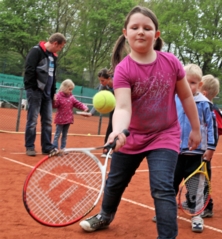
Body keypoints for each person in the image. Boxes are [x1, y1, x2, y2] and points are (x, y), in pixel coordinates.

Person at [79, 6, 201, 239]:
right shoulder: (123, 69)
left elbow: (186, 96)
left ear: (156, 34)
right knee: (115, 182)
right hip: (132, 136)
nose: (141, 32)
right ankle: (105, 215)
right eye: (135, 27)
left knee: (163, 188)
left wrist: (195, 129)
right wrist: (117, 132)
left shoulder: (171, 62)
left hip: (164, 135)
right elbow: (123, 107)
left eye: (147, 28)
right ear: (126, 33)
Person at [173, 64, 215, 233]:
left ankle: (196, 215)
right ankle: (166, 212)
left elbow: (211, 127)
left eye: (193, 82)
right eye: (185, 81)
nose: (189, 86)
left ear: (200, 85)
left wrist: (210, 147)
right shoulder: (174, 98)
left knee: (195, 187)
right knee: (170, 185)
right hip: (175, 151)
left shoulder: (205, 104)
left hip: (196, 153)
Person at [24, 33, 66, 156]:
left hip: (47, 95)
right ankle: (30, 146)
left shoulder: (53, 57)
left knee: (47, 121)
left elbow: (52, 76)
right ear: (55, 43)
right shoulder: (36, 51)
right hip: (35, 91)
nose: (60, 49)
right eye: (60, 47)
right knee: (32, 120)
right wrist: (34, 88)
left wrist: (53, 93)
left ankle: (47, 147)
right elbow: (29, 71)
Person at [198, 74, 222, 218]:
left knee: (203, 179)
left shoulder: (213, 110)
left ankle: (207, 207)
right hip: (194, 151)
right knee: (193, 178)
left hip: (204, 153)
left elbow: (217, 131)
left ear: (204, 93)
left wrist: (209, 148)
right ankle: (193, 201)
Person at [52, 79, 89, 151]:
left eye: (71, 90)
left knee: (64, 135)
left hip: (68, 120)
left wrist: (84, 107)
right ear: (64, 88)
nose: (70, 91)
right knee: (57, 134)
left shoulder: (71, 97)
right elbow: (55, 106)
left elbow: (78, 103)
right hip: (60, 120)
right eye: (69, 89)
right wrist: (54, 100)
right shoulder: (58, 96)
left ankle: (63, 148)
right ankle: (55, 148)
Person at [86, 68, 114, 158]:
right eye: (100, 81)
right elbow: (97, 101)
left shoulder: (119, 82)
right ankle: (107, 150)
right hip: (114, 108)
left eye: (103, 80)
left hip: (125, 106)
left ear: (109, 78)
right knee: (111, 127)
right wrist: (91, 113)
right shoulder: (103, 86)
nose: (101, 83)